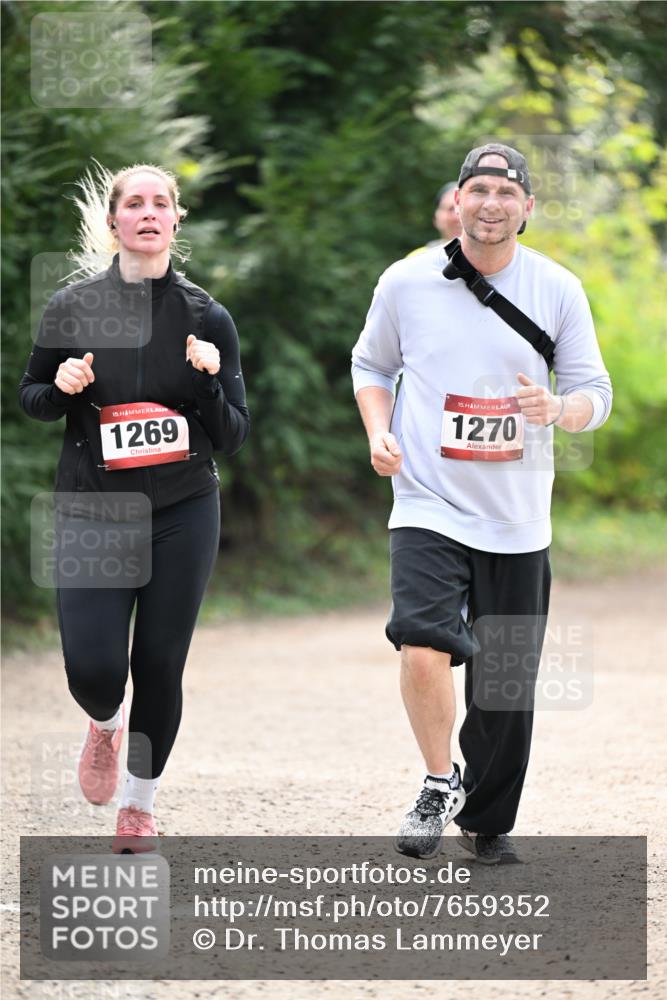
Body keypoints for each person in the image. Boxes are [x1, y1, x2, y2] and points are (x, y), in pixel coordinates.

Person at [351, 142, 612, 864]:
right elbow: (370, 363)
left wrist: (558, 408)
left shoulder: (556, 288)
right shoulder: (406, 282)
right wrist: (379, 431)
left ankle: (485, 821)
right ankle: (439, 781)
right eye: (477, 188)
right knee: (420, 640)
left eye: (506, 190)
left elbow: (597, 395)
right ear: (456, 203)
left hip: (515, 512)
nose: (490, 201)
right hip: (426, 500)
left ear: (526, 209)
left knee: (503, 690)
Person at [19, 163, 250, 852]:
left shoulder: (207, 317)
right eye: (134, 204)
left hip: (183, 507)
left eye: (161, 203)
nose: (148, 213)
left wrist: (210, 380)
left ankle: (139, 806)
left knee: (159, 661)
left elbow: (232, 435)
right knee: (93, 669)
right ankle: (104, 722)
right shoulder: (71, 308)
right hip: (93, 509)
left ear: (176, 221)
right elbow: (31, 398)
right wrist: (60, 386)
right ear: (115, 221)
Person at [406, 181, 462, 256]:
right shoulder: (417, 258)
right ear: (436, 218)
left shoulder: (483, 261)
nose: (457, 217)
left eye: (463, 209)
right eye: (450, 209)